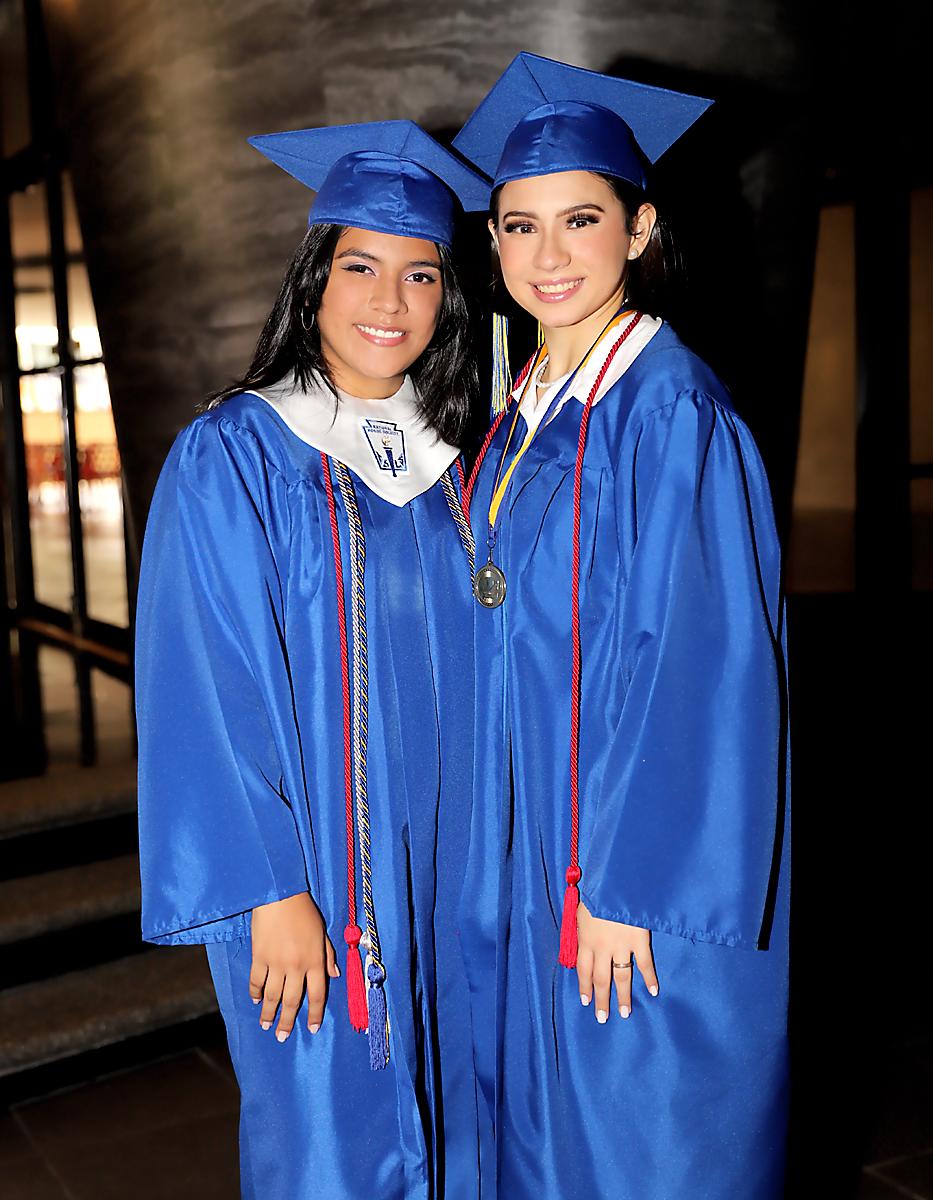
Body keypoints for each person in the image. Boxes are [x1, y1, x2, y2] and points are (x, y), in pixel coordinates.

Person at [452, 54, 790, 1198]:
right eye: (519, 226)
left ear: (640, 228)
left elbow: (703, 672)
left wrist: (625, 890)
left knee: (641, 1145)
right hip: (530, 852)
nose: (549, 256)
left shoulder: (670, 412)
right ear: (492, 244)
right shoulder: (525, 416)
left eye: (581, 220)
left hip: (624, 871)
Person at [135, 120, 491, 1199]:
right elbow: (204, 684)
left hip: (457, 876)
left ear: (447, 296)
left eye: (420, 273)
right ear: (313, 278)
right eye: (361, 266)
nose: (388, 301)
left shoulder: (455, 466)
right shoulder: (236, 453)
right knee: (330, 1139)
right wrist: (272, 892)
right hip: (321, 885)